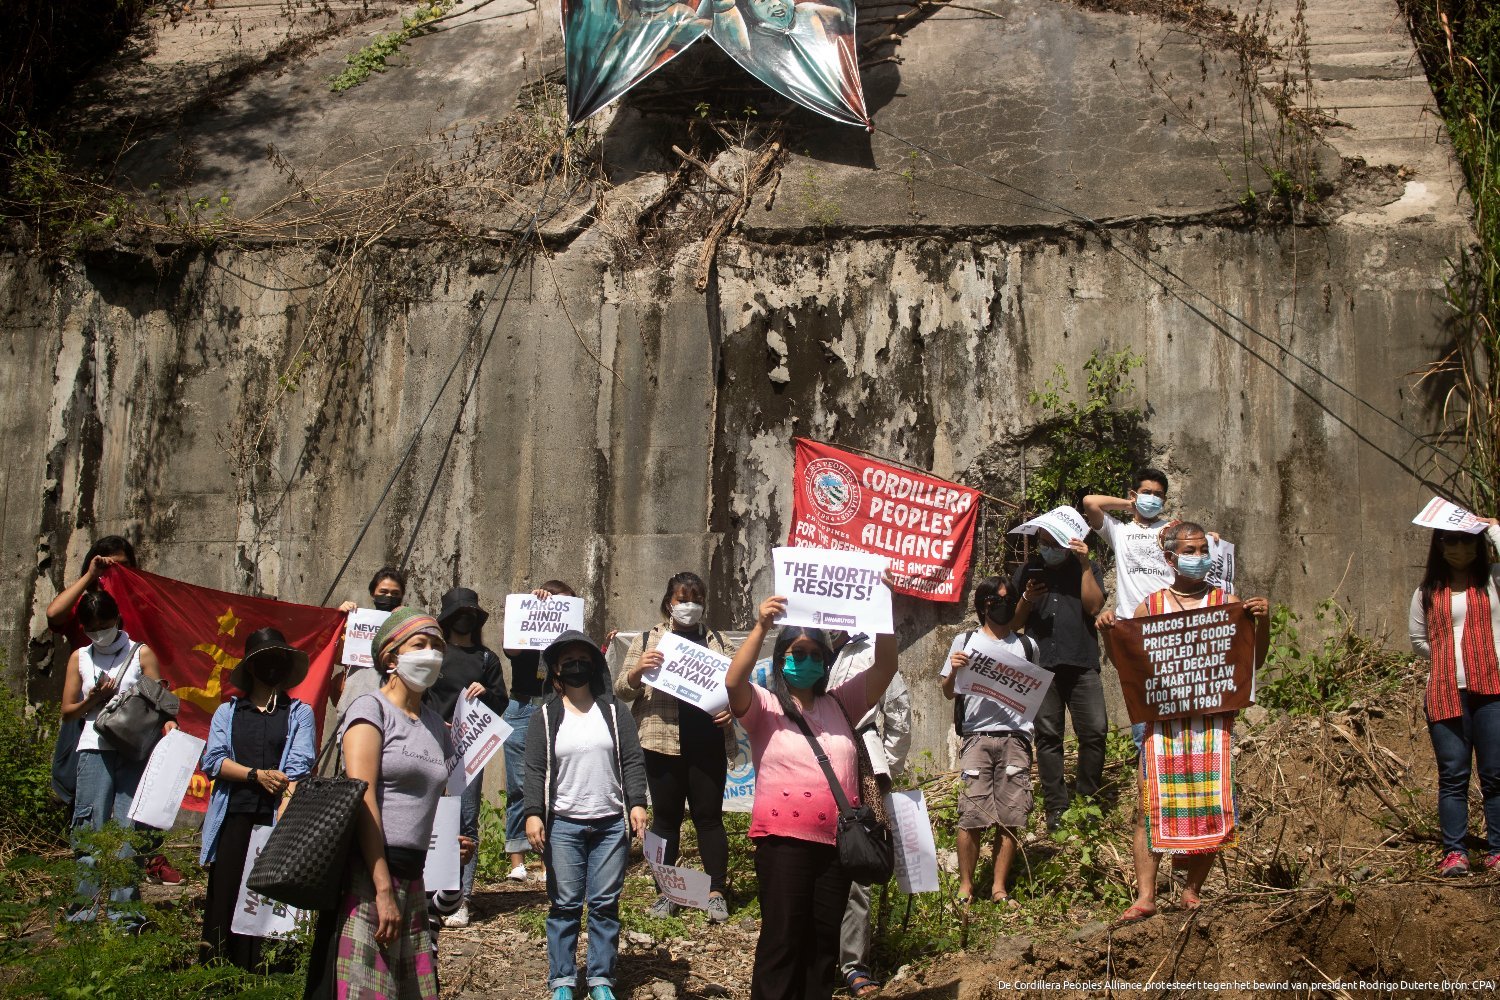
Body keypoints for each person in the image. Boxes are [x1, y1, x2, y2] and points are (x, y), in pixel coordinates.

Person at [725, 595, 899, 1000]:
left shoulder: (842, 701)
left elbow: (886, 666)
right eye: (796, 653)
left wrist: (883, 612)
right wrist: (761, 627)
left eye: (814, 653)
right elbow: (733, 682)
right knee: (782, 941)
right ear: (781, 658)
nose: (805, 660)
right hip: (782, 843)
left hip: (834, 847)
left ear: (825, 660)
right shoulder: (764, 706)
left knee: (822, 945)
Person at [1098, 521, 1269, 922]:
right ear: (1171, 558)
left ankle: (1191, 889)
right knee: (1149, 805)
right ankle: (1145, 896)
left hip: (1211, 725)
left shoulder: (1230, 604)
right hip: (1161, 728)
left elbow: (1252, 665)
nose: (1198, 558)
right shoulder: (1150, 607)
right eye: (1189, 551)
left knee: (1211, 802)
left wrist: (1262, 625)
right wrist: (1108, 633)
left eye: (1202, 550)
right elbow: (1132, 668)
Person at [304, 607, 454, 1000]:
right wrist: (382, 886)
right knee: (365, 989)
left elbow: (430, 801)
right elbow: (362, 797)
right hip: (369, 876)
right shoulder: (369, 710)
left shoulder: (437, 725)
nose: (432, 654)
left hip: (413, 877)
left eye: (437, 646)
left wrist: (454, 848)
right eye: (419, 645)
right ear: (391, 657)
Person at [525, 630, 649, 1000]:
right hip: (563, 824)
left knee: (604, 903)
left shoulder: (614, 712)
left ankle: (600, 979)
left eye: (584, 660)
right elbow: (533, 770)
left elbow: (631, 760)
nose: (577, 667)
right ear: (557, 670)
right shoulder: (544, 718)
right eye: (569, 662)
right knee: (564, 904)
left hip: (611, 823)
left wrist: (637, 802)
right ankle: (562, 979)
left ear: (594, 666)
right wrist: (533, 813)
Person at [614, 571, 737, 922]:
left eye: (696, 599)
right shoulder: (647, 639)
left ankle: (715, 891)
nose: (690, 606)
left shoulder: (719, 641)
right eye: (683, 599)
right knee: (665, 820)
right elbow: (622, 689)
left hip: (707, 743)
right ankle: (666, 891)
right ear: (669, 602)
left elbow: (738, 689)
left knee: (709, 819)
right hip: (660, 742)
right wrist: (638, 671)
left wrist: (731, 711)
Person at [199, 628, 317, 968]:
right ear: (251, 667)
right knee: (227, 889)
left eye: (279, 659)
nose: (273, 666)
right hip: (235, 813)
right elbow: (214, 761)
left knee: (270, 892)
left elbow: (300, 763)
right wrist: (254, 775)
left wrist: (280, 785)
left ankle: (272, 968)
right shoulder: (228, 712)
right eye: (266, 660)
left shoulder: (298, 713)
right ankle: (219, 964)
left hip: (276, 814)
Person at [58, 590, 177, 921]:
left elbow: (164, 702)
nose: (99, 632)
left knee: (128, 835)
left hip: (133, 751)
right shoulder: (79, 658)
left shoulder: (140, 654)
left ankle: (125, 918)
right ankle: (82, 915)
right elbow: (68, 711)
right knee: (89, 834)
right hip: (93, 750)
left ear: (117, 620)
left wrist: (169, 725)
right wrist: (94, 700)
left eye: (104, 624)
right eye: (91, 627)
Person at [1408, 515, 1500, 876]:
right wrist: (1449, 655)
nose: (1459, 549)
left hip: (1493, 690)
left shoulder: (1493, 580)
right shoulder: (1426, 592)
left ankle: (1496, 851)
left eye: (1467, 541)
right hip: (1446, 691)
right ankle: (1456, 853)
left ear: (1477, 545)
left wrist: (1493, 528)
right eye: (1451, 541)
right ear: (1440, 546)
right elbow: (1418, 639)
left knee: (1495, 775)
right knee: (1453, 775)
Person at [940, 577, 1038, 907]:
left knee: (1011, 815)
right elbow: (946, 690)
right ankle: (966, 886)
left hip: (1016, 738)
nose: (1007, 604)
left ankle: (999, 888)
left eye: (1010, 598)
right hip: (976, 738)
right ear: (984, 605)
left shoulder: (1027, 647)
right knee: (971, 813)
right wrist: (954, 671)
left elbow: (1034, 690)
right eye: (999, 599)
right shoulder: (964, 641)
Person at [1010, 518, 1107, 829]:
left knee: (1094, 732)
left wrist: (1086, 565)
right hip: (1041, 665)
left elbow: (1094, 607)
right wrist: (1027, 599)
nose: (1047, 548)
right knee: (1049, 738)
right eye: (1043, 542)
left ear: (1068, 541)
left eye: (1054, 543)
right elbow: (1012, 625)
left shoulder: (1084, 567)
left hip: (1082, 662)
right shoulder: (1028, 571)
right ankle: (1057, 809)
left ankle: (1088, 800)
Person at [827, 631, 910, 999]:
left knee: (857, 858)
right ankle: (816, 955)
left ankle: (853, 963)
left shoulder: (869, 649)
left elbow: (898, 714)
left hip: (860, 762)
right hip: (807, 763)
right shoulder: (800, 646)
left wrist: (882, 768)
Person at [425, 587, 509, 927]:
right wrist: (435, 720)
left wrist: (485, 693)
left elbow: (501, 702)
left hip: (468, 750)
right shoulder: (433, 654)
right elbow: (418, 693)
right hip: (430, 743)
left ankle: (462, 896)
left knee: (465, 820)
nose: (465, 619)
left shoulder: (487, 659)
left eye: (471, 614)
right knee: (428, 816)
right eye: (459, 613)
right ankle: (428, 889)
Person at [500, 580, 577, 884]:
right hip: (522, 707)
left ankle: (548, 859)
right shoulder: (527, 625)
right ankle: (517, 859)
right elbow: (511, 648)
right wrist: (530, 606)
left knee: (553, 783)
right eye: (559, 603)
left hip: (558, 706)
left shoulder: (567, 642)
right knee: (519, 784)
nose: (562, 610)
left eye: (568, 605)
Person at [1083, 469, 1175, 621]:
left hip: (1166, 619)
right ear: (1134, 495)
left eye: (1158, 495)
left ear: (1164, 499)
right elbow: (1089, 502)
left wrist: (1212, 539)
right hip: (1129, 620)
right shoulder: (1118, 531)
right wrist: (1129, 505)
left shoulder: (1172, 529)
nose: (1152, 498)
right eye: (1146, 492)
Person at [47, 535, 138, 649]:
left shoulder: (142, 604)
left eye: (123, 565)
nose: (117, 570)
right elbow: (53, 614)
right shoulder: (84, 605)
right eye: (110, 565)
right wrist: (90, 575)